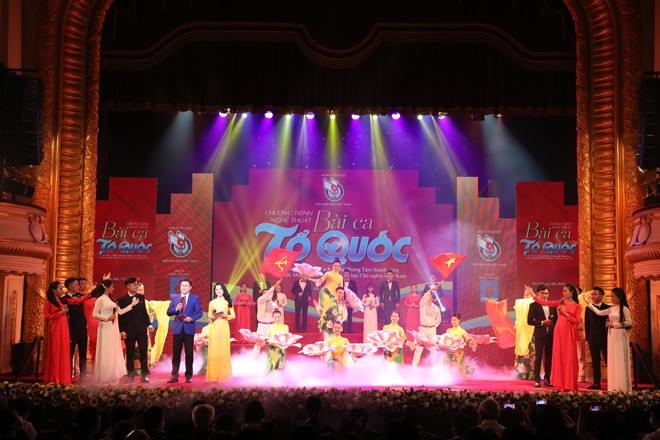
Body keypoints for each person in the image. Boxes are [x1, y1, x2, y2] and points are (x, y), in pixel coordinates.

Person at [530, 283, 582, 390]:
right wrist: (533, 295)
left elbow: (577, 321)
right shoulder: (560, 302)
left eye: (565, 291)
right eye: (563, 291)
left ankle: (568, 383)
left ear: (571, 292)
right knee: (559, 356)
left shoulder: (577, 306)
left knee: (569, 356)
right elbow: (543, 302)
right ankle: (559, 383)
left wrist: (565, 313)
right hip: (558, 331)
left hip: (569, 332)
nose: (563, 293)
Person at [583, 287, 632, 392]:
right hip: (611, 336)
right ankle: (612, 383)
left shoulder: (624, 309)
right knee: (610, 360)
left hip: (618, 336)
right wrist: (588, 302)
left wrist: (613, 324)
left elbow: (629, 323)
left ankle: (622, 384)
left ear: (619, 297)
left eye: (613, 297)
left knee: (617, 360)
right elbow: (599, 312)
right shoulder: (612, 309)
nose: (611, 298)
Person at [92, 279, 139, 384]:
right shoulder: (100, 299)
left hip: (113, 328)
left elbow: (120, 312)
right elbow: (94, 314)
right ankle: (105, 377)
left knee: (113, 351)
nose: (113, 288)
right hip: (105, 327)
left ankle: (113, 376)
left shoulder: (111, 299)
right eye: (112, 286)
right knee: (106, 351)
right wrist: (107, 317)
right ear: (106, 287)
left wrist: (132, 305)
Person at [44, 281, 86, 385]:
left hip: (65, 329)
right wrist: (60, 313)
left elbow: (78, 300)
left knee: (64, 353)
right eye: (60, 288)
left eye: (62, 288)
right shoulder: (49, 302)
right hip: (56, 328)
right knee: (56, 352)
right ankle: (55, 377)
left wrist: (91, 291)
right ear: (54, 290)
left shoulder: (64, 301)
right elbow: (47, 317)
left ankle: (64, 378)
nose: (62, 290)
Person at [167, 278, 203, 383]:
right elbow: (169, 312)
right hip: (177, 330)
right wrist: (176, 309)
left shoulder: (195, 298)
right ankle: (174, 376)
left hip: (189, 329)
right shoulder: (175, 298)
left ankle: (188, 376)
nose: (183, 287)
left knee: (189, 354)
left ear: (190, 287)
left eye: (186, 285)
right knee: (176, 354)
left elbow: (199, 313)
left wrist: (191, 318)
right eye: (182, 285)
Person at [117, 277, 152, 383]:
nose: (137, 286)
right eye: (134, 285)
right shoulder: (122, 300)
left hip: (141, 330)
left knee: (143, 353)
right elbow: (120, 318)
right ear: (128, 286)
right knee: (130, 353)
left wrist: (149, 324)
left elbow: (144, 313)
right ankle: (130, 375)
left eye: (137, 284)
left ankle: (144, 375)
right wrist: (122, 331)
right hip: (129, 331)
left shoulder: (141, 297)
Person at [526, 283, 557, 387]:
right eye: (543, 293)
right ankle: (537, 380)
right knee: (538, 358)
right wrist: (542, 322)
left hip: (551, 335)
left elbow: (556, 321)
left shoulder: (552, 305)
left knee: (549, 358)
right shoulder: (533, 305)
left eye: (546, 293)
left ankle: (547, 380)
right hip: (540, 335)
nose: (545, 295)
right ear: (538, 293)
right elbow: (530, 321)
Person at [207, 282, 235, 382]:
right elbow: (209, 315)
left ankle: (223, 375)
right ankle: (214, 375)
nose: (218, 291)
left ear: (223, 290)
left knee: (223, 349)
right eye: (216, 289)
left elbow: (233, 316)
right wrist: (212, 316)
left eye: (220, 289)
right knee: (214, 350)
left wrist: (226, 316)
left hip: (224, 326)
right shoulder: (212, 302)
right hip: (214, 327)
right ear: (214, 291)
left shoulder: (227, 302)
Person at [309, 259, 344, 339]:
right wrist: (309, 278)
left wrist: (340, 299)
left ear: (340, 267)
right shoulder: (328, 274)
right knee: (326, 312)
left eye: (338, 266)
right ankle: (323, 327)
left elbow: (340, 290)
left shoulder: (340, 277)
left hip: (334, 297)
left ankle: (335, 330)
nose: (336, 267)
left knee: (336, 313)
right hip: (326, 294)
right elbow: (319, 281)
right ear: (332, 266)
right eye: (335, 265)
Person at [62, 278, 89, 380]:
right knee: (70, 354)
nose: (79, 287)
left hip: (82, 329)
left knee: (83, 354)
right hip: (71, 330)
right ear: (70, 287)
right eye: (77, 285)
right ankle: (68, 376)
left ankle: (83, 377)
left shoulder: (81, 296)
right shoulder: (64, 299)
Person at [584, 286, 610, 390]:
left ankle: (612, 382)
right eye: (592, 294)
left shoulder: (607, 307)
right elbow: (587, 324)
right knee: (595, 362)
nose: (593, 296)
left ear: (601, 296)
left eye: (595, 294)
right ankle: (596, 383)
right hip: (592, 338)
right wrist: (587, 339)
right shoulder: (588, 308)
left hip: (605, 338)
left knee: (608, 361)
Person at [412, 285, 442, 367]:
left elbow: (439, 320)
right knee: (419, 348)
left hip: (432, 330)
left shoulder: (436, 308)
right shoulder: (422, 304)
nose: (426, 297)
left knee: (433, 348)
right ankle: (414, 366)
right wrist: (431, 290)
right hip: (423, 329)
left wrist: (433, 326)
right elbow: (423, 299)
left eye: (428, 295)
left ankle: (434, 366)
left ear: (431, 296)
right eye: (425, 295)